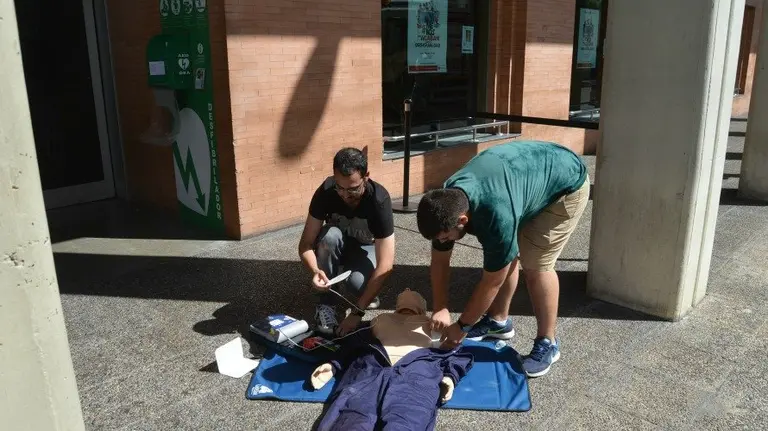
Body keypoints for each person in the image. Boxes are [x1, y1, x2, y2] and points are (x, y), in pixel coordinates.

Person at [416, 140, 590, 377]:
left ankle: (548, 342)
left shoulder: (496, 216)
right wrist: (440, 307)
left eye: (446, 237)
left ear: (463, 220)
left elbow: (492, 281)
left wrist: (462, 327)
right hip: (523, 177)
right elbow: (439, 260)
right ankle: (498, 322)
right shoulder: (445, 204)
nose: (443, 242)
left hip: (566, 184)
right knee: (505, 253)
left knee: (536, 265)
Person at [309, 289, 473, 431]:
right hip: (372, 371)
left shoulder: (435, 326)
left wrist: (450, 377)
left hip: (414, 375)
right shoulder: (379, 320)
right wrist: (333, 364)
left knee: (403, 422)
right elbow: (353, 343)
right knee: (353, 420)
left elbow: (457, 353)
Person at [299, 147, 396, 336]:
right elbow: (305, 244)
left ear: (366, 177)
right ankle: (325, 304)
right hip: (337, 245)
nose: (344, 195)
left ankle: (364, 293)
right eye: (340, 187)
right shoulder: (326, 191)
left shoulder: (379, 200)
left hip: (365, 249)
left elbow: (386, 265)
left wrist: (357, 313)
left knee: (358, 284)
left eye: (353, 189)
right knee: (329, 236)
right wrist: (315, 270)